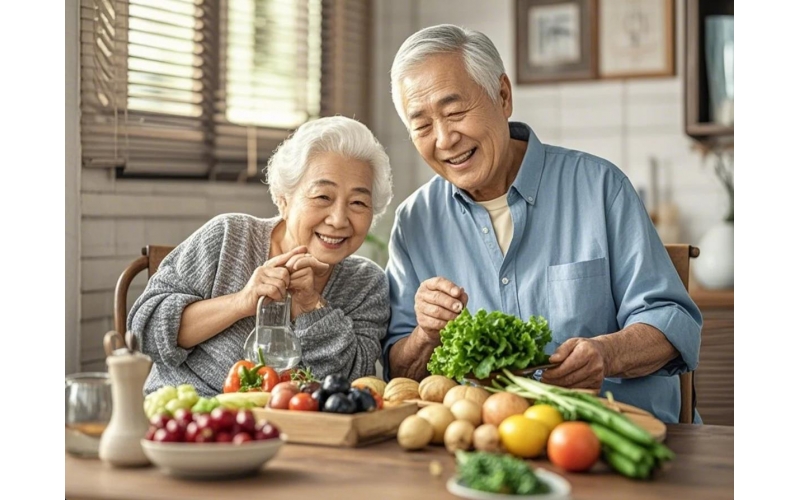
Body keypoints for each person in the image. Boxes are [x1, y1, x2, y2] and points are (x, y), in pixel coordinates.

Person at [381, 24, 702, 423]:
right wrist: (424, 335)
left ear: (503, 96)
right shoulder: (415, 221)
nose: (444, 139)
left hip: (613, 438)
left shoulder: (600, 187)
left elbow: (672, 322)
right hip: (491, 449)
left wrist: (608, 353)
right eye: (423, 125)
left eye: (455, 112)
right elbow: (399, 374)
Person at [129, 116, 394, 397]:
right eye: (322, 197)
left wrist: (313, 306)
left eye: (358, 203)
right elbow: (144, 332)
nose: (339, 219)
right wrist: (242, 302)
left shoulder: (366, 285)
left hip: (299, 431)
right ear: (283, 199)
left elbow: (353, 387)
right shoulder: (228, 236)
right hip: (190, 415)